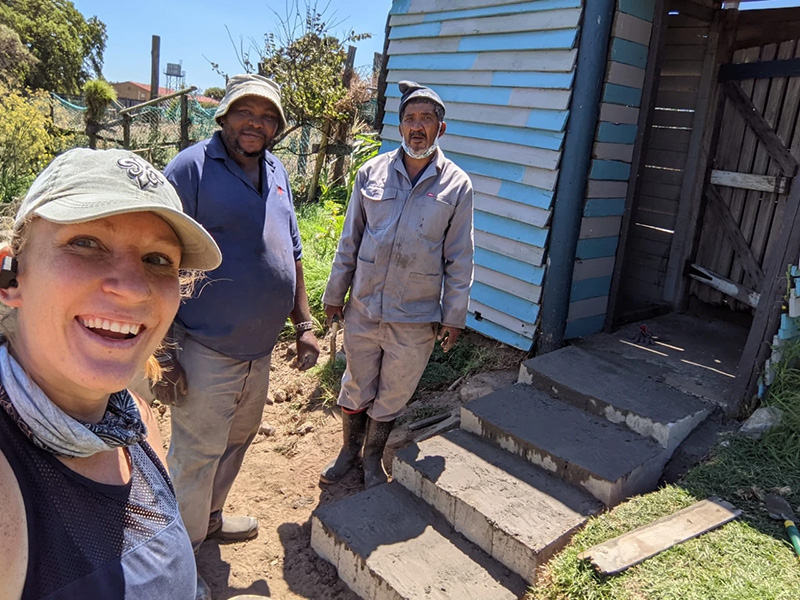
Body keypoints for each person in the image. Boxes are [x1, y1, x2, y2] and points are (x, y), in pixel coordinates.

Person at [0, 148, 222, 599]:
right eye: (86, 243)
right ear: (11, 275)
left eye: (158, 259)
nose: (133, 288)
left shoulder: (133, 421)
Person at [152, 74, 320, 572]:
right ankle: (178, 569)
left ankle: (210, 518)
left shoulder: (277, 170)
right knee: (196, 455)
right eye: (246, 112)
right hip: (204, 348)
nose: (256, 123)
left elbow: (291, 251)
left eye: (268, 116)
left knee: (237, 440)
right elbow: (157, 257)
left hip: (259, 351)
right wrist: (162, 350)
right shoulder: (191, 168)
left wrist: (305, 322)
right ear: (224, 115)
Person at [320, 81, 474, 489]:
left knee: (393, 392)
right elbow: (349, 240)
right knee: (356, 385)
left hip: (417, 315)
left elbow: (460, 257)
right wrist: (335, 295)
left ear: (441, 129)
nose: (417, 127)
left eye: (427, 119)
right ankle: (348, 452)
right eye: (410, 119)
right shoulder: (370, 173)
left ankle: (372, 459)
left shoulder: (457, 186)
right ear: (399, 127)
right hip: (365, 307)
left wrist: (453, 316)